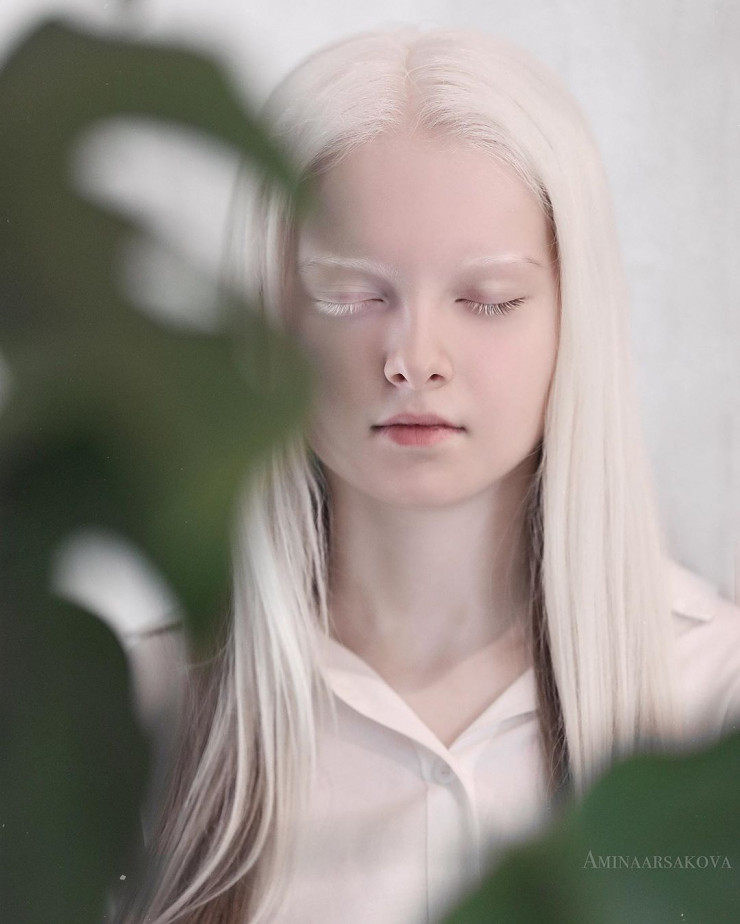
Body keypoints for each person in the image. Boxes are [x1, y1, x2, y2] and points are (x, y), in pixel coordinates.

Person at [115, 24, 740, 924]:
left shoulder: (715, 702)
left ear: (574, 317)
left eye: (488, 300)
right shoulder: (131, 715)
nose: (414, 358)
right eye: (349, 296)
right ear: (274, 316)